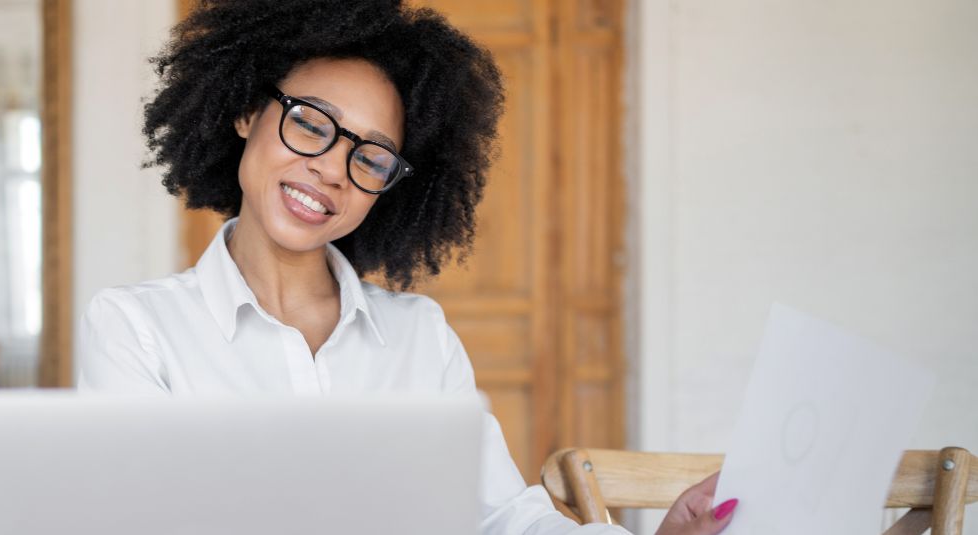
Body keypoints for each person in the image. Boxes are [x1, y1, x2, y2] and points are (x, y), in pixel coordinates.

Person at [77, 1, 737, 533]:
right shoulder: (136, 329)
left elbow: (504, 516)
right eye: (311, 124)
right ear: (248, 110)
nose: (332, 169)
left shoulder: (420, 336)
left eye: (370, 157)